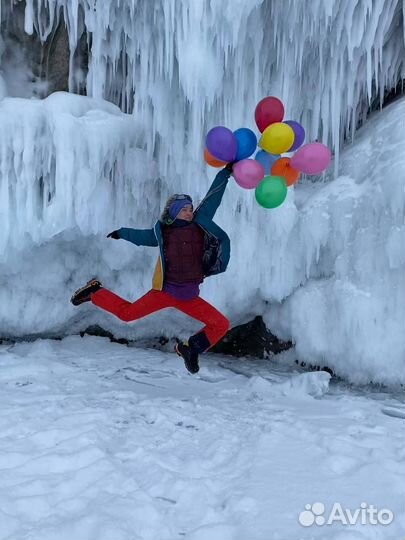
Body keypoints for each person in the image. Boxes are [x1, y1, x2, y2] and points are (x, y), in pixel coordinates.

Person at [70, 163, 234, 374]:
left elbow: (213, 198)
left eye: (191, 209)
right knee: (127, 314)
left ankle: (190, 349)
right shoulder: (163, 232)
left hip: (189, 296)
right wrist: (122, 232)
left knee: (220, 324)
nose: (189, 212)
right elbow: (144, 237)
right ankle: (95, 292)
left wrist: (226, 173)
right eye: (184, 209)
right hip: (165, 293)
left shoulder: (199, 226)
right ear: (173, 212)